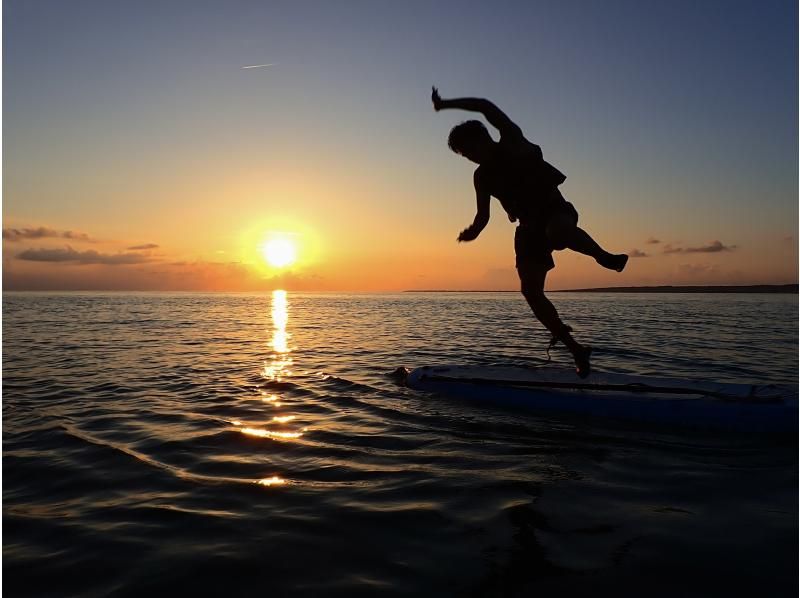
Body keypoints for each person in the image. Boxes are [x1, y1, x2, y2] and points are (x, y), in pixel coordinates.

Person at [432, 87, 627, 378]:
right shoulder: (481, 177)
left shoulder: (513, 142)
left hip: (554, 210)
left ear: (484, 138)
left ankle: (604, 256)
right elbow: (483, 215)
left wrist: (445, 104)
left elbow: (485, 105)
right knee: (531, 292)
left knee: (559, 232)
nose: (471, 157)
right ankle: (576, 349)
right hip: (527, 230)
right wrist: (472, 231)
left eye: (471, 149)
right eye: (465, 155)